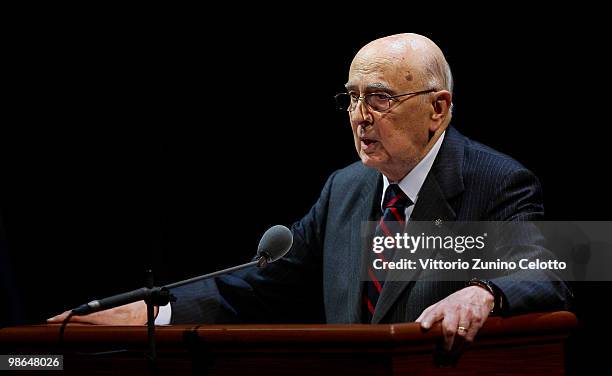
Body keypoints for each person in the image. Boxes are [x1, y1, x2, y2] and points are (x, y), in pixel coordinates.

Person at [49, 33, 571, 352]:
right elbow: (255, 286)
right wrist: (154, 312)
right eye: (352, 98)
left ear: (438, 108)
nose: (361, 117)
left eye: (381, 99)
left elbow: (547, 271)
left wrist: (486, 292)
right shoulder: (345, 188)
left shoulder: (495, 180)